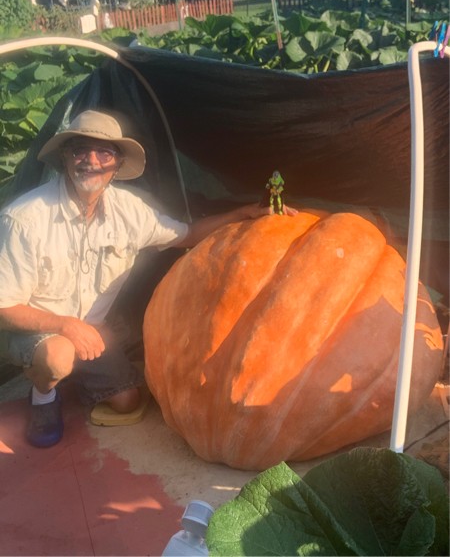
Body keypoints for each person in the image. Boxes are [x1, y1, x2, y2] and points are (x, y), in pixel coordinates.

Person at [0, 110, 296, 448]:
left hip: (92, 329)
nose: (91, 161)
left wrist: (243, 214)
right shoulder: (24, 219)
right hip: (36, 329)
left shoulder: (129, 211)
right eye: (81, 150)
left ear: (117, 164)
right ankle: (43, 394)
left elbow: (186, 235)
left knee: (128, 401)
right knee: (57, 357)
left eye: (104, 153)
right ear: (66, 157)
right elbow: (4, 308)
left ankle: (73, 374)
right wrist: (66, 325)